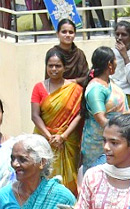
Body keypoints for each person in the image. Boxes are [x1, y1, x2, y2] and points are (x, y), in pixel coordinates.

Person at [30, 49, 83, 195]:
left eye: (58, 66)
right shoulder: (38, 88)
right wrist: (49, 137)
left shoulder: (75, 90)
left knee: (68, 179)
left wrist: (63, 136)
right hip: (43, 140)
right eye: (50, 65)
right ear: (46, 66)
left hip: (67, 142)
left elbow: (79, 115)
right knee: (42, 174)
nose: (54, 69)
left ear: (64, 67)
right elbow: (35, 116)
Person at [82, 47, 127, 170]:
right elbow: (101, 119)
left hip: (116, 138)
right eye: (115, 60)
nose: (117, 64)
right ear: (109, 64)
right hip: (99, 145)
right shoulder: (96, 89)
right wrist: (124, 133)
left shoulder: (108, 82)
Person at [52, 19, 90, 88]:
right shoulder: (53, 54)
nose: (67, 35)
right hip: (56, 92)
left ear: (75, 34)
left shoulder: (79, 54)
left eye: (71, 32)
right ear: (57, 34)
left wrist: (75, 81)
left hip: (76, 93)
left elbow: (86, 77)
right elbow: (49, 78)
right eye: (64, 32)